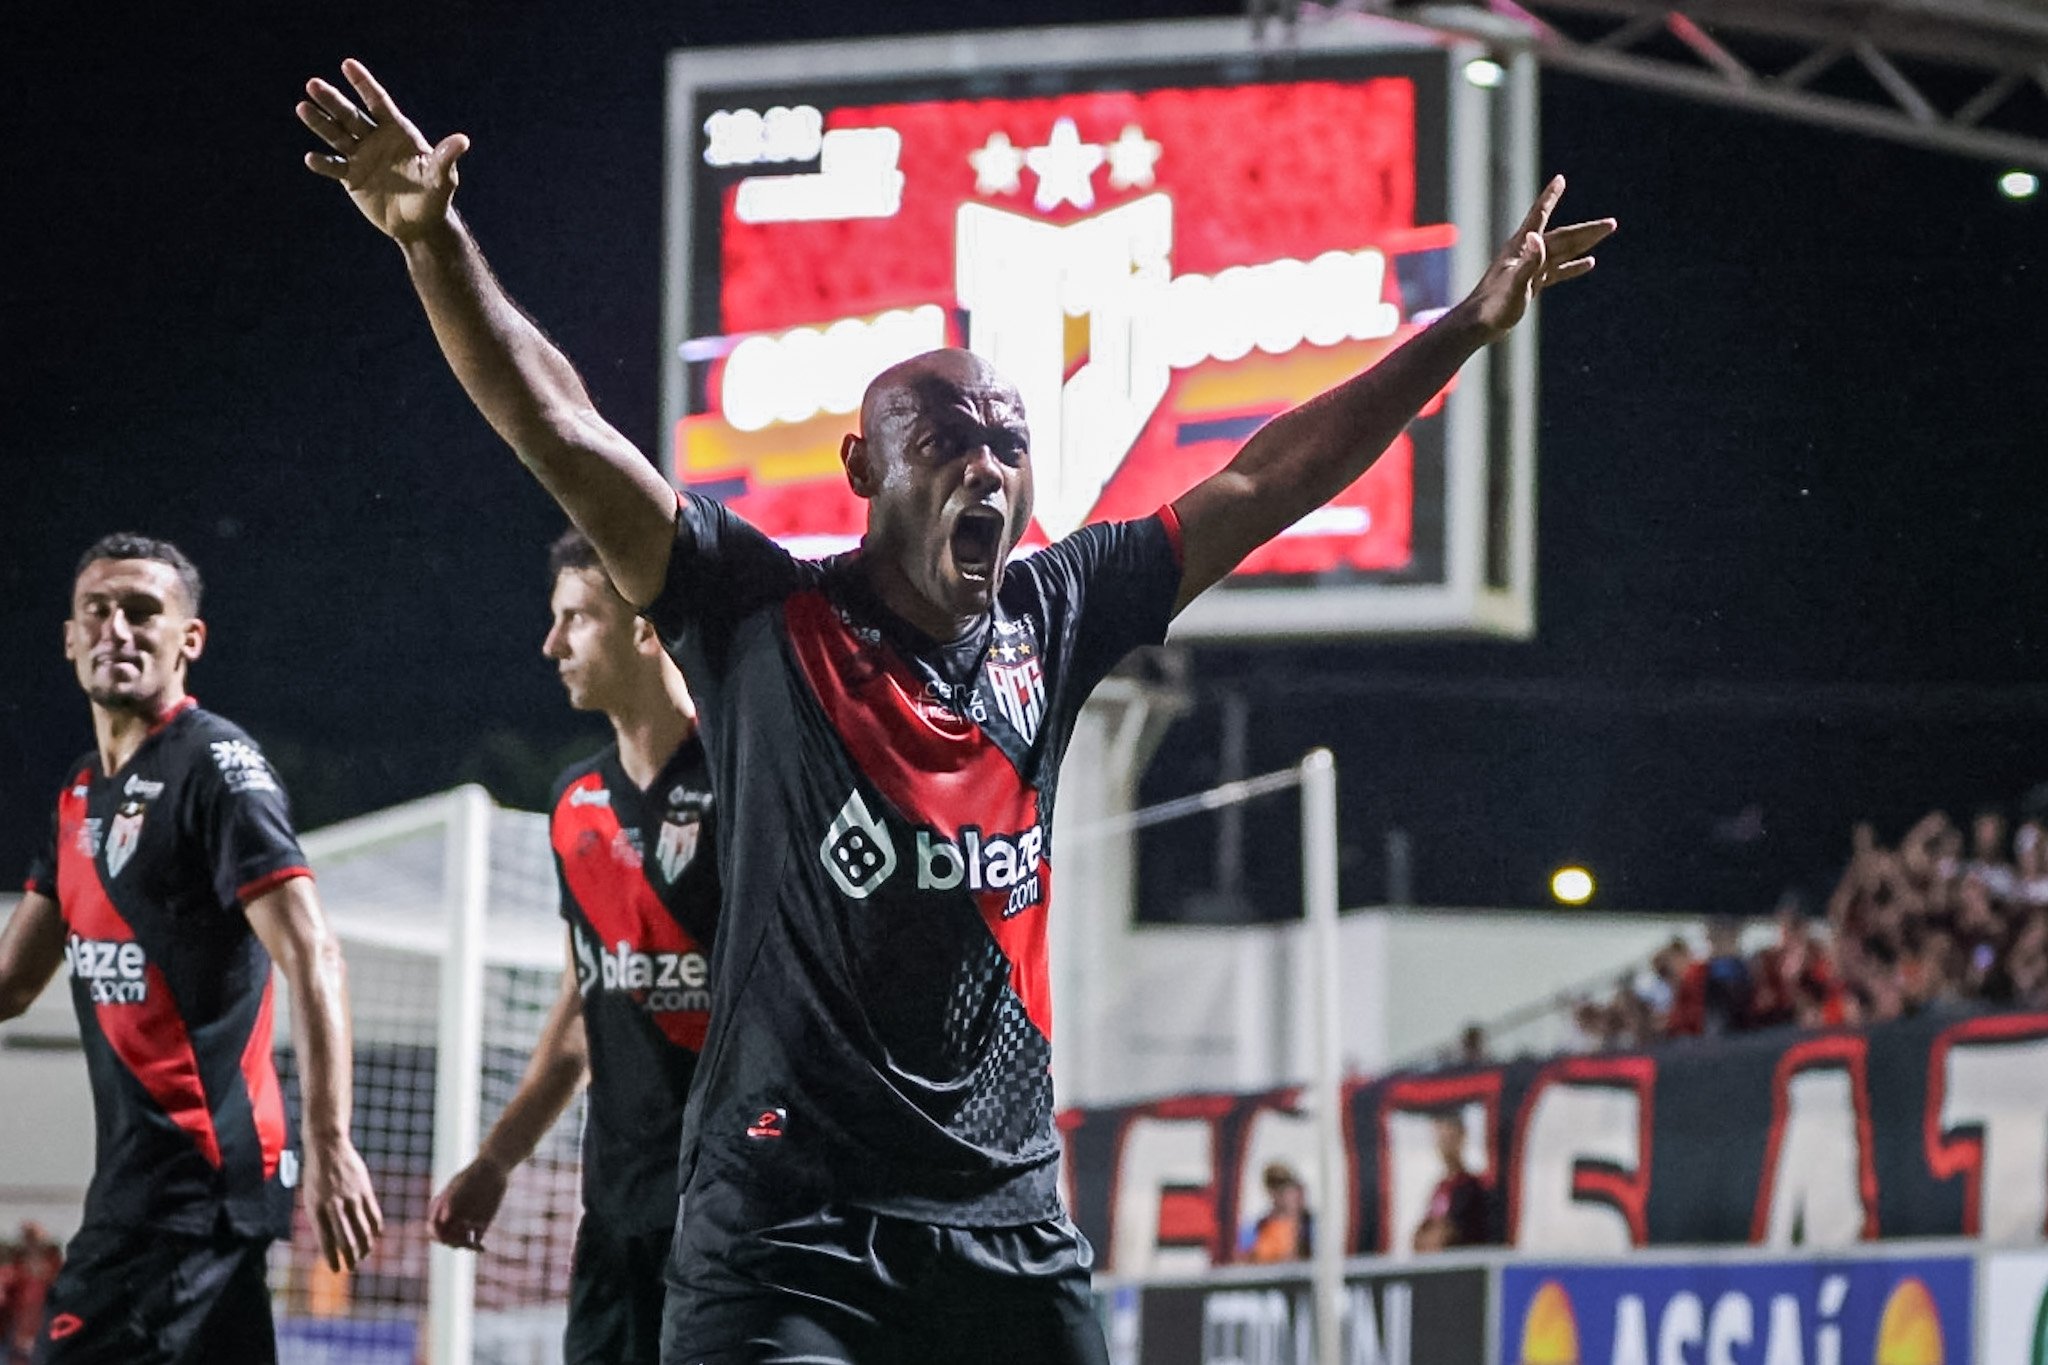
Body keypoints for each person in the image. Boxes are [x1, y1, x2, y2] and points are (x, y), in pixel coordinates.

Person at [298, 58, 1610, 1363]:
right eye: (946, 439)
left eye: (1009, 443)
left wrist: (1465, 326)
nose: (987, 465)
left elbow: (1266, 476)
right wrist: (434, 238)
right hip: (783, 1231)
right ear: (863, 464)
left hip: (1005, 1228)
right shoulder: (759, 614)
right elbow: (565, 433)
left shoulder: (1060, 610)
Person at [0, 534, 382, 1364]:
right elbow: (12, 981)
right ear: (69, 638)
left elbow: (313, 952)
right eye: (96, 612)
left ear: (189, 640)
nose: (117, 630)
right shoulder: (74, 793)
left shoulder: (215, 766)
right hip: (152, 1180)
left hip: (193, 1176)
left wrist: (331, 1140)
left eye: (143, 611)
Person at [426, 529, 719, 1365]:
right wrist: (495, 1160)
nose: (551, 644)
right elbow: (583, 1012)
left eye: (576, 619)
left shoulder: (747, 777)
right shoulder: (575, 801)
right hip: (617, 1218)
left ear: (645, 628)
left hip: (737, 1211)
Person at [1411, 1112, 1489, 1252]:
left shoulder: (1472, 1186)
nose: (1443, 1143)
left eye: (1449, 1136)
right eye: (1439, 1136)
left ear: (1461, 1136)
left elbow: (1459, 1232)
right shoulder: (1440, 1187)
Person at [1239, 1163, 1313, 1264]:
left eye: (1284, 1188)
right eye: (1274, 1187)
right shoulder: (1258, 1227)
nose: (1279, 1194)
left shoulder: (1311, 1226)